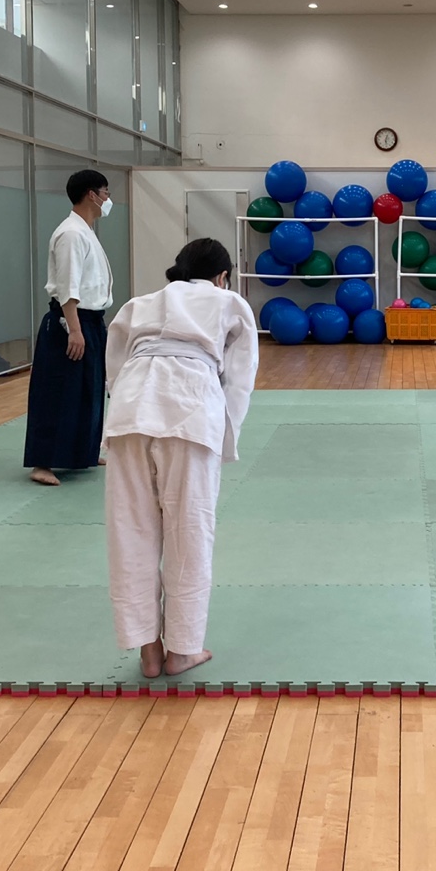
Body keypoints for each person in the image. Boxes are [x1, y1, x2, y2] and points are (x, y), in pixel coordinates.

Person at [103, 238, 259, 677]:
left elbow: (115, 367)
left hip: (130, 409)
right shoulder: (229, 302)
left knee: (130, 529)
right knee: (189, 530)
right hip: (190, 409)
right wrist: (226, 433)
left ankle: (148, 651)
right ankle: (183, 649)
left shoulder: (139, 304)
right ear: (222, 276)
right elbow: (241, 376)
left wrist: (125, 405)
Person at [24, 169, 114, 486]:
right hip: (69, 322)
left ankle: (84, 451)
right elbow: (67, 286)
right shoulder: (71, 234)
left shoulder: (85, 231)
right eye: (105, 192)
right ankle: (42, 462)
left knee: (89, 389)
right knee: (58, 391)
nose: (108, 199)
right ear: (92, 194)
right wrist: (74, 330)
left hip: (90, 320)